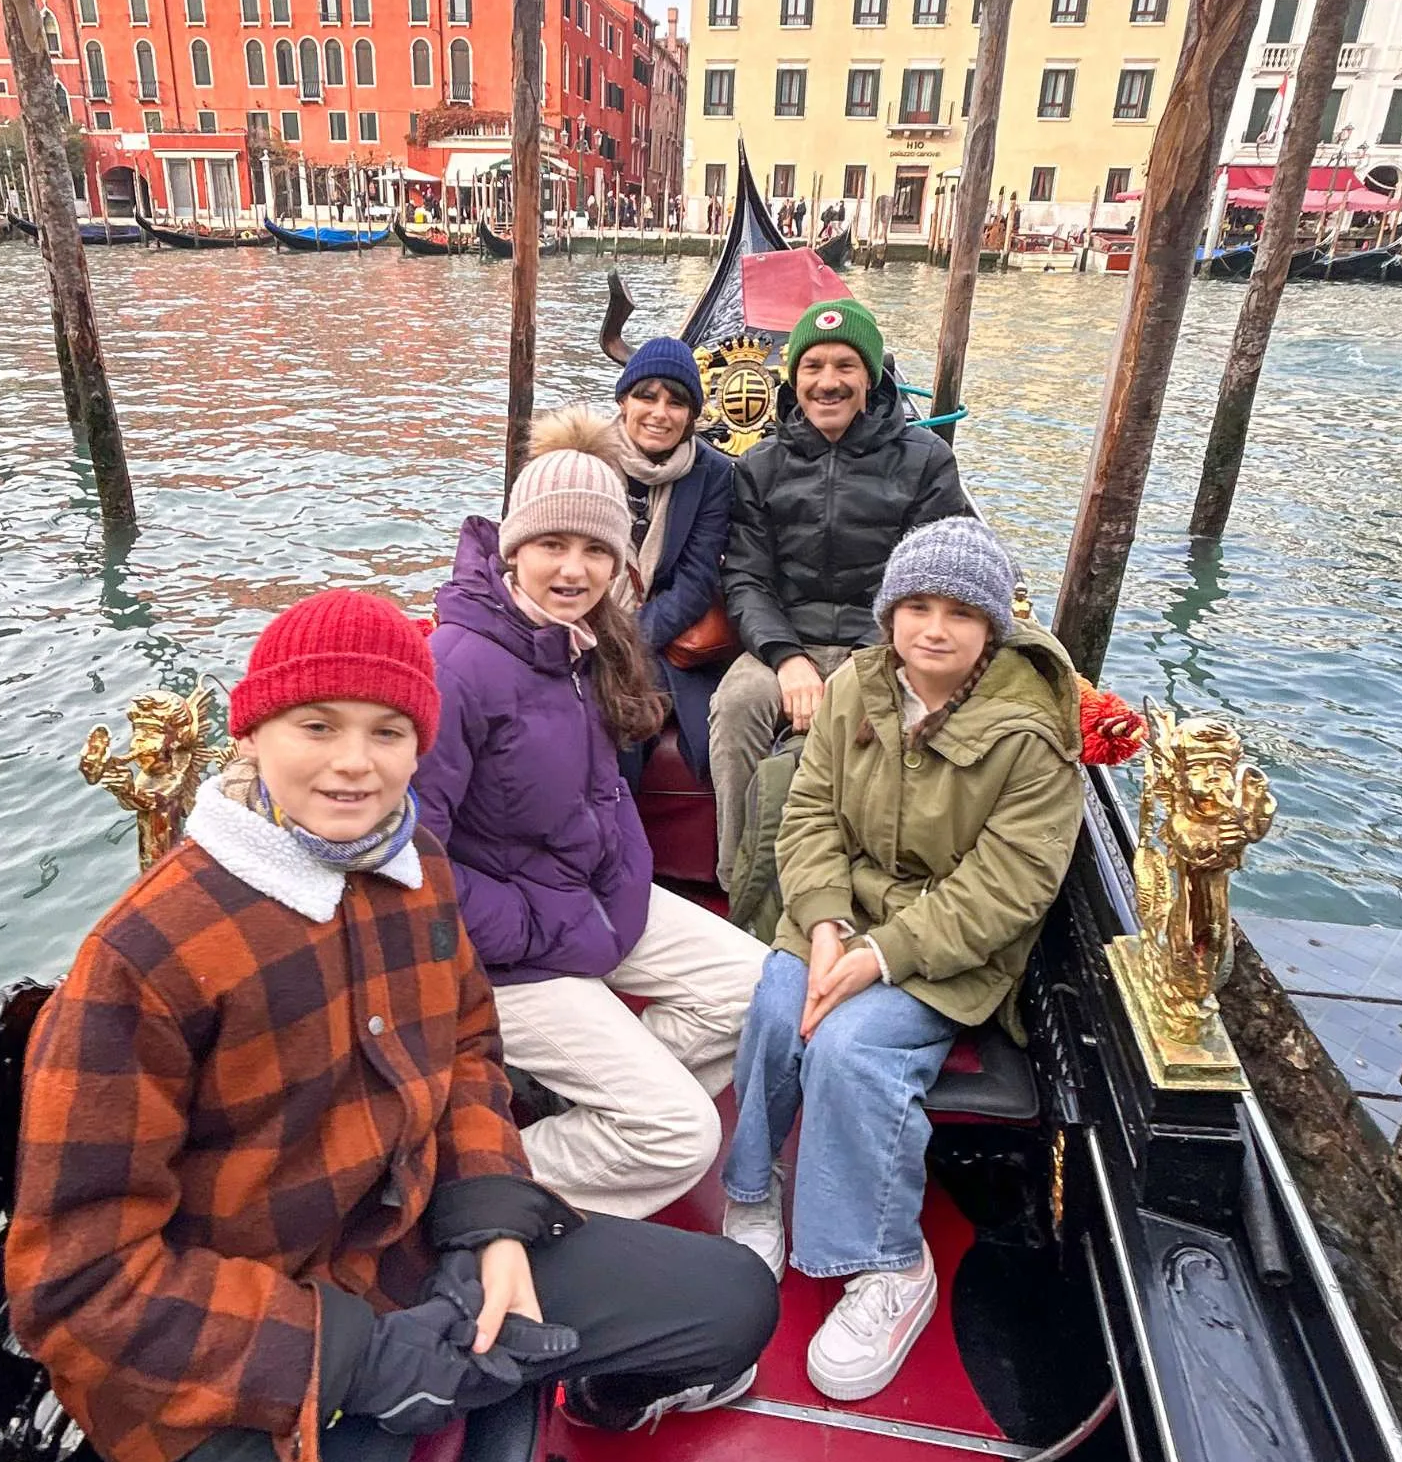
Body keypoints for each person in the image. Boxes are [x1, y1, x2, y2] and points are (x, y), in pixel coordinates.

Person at [6, 591, 779, 1462]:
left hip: (414, 1253)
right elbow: (78, 1278)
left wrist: (489, 1222)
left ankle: (580, 1395)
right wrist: (356, 1357)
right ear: (252, 734)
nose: (353, 764)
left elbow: (464, 1053)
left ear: (421, 747)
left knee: (732, 1301)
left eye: (388, 732)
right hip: (245, 1339)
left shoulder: (413, 876)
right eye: (317, 725)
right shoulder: (149, 957)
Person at [719, 520, 1084, 1402]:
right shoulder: (857, 687)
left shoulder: (1030, 737)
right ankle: (755, 1186)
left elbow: (1009, 887)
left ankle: (890, 1261)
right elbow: (809, 815)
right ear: (889, 614)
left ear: (991, 627)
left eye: (959, 613)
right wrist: (823, 926)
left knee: (851, 1047)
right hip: (841, 919)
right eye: (915, 606)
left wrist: (883, 955)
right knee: (774, 1004)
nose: (932, 628)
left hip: (952, 947)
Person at [415, 444, 768, 1221]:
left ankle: (589, 1114)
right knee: (679, 1136)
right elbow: (416, 858)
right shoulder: (456, 666)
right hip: (501, 953)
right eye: (552, 544)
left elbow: (604, 792)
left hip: (584, 901)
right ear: (515, 549)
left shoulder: (585, 644)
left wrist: (619, 874)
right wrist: (535, 927)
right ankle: (464, 1192)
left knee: (758, 986)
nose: (573, 569)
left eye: (596, 549)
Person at [711, 297, 968, 889]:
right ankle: (740, 880)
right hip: (785, 642)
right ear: (794, 378)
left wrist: (865, 660)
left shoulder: (926, 461)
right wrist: (787, 658)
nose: (828, 382)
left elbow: (928, 581)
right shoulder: (760, 467)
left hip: (883, 647)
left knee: (885, 718)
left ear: (870, 377)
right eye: (813, 366)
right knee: (736, 706)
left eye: (845, 366)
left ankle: (873, 880)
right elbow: (747, 578)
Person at [596, 334, 732, 781]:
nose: (659, 413)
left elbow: (695, 582)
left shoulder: (712, 474)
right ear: (623, 401)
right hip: (583, 621)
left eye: (676, 402)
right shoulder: (587, 458)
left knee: (627, 714)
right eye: (646, 396)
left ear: (692, 415)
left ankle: (620, 833)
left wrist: (623, 643)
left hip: (653, 637)